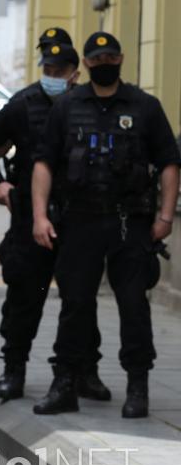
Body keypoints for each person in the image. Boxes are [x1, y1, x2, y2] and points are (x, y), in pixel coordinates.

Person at [31, 31, 180, 418]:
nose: (103, 64)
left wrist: (166, 215)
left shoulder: (145, 107)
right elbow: (44, 164)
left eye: (109, 57)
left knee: (133, 306)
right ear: (86, 63)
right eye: (96, 60)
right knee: (74, 305)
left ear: (121, 58)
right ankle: (65, 383)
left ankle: (137, 386)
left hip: (129, 224)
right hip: (79, 223)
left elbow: (168, 162)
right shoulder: (66, 107)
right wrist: (40, 216)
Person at [0, 34, 109, 402]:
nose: (52, 75)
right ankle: (13, 369)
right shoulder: (24, 104)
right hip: (30, 219)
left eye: (59, 70)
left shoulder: (89, 105)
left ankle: (84, 371)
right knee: (24, 296)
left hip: (76, 216)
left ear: (74, 74)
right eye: (47, 69)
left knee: (80, 299)